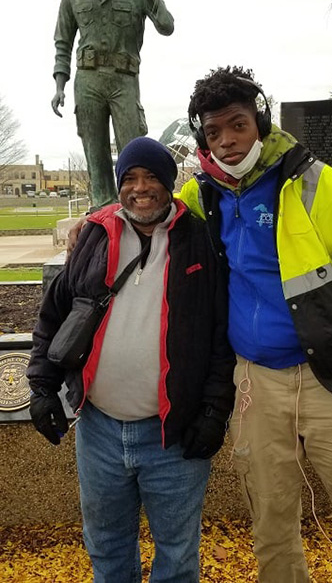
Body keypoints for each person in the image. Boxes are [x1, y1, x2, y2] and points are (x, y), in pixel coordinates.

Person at [177, 66, 332, 583]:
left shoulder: (319, 184)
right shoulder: (204, 195)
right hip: (257, 384)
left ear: (259, 122)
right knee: (271, 525)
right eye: (213, 132)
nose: (228, 142)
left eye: (237, 125)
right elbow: (147, 208)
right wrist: (95, 220)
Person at [27, 137, 234, 583]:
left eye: (152, 177)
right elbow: (54, 315)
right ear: (120, 185)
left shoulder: (198, 239)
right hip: (99, 431)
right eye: (131, 178)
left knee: (177, 555)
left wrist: (214, 412)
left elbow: (219, 336)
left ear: (169, 183)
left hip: (173, 437)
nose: (141, 188)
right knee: (107, 544)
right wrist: (42, 388)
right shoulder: (96, 235)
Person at [51, 0, 174, 207]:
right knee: (94, 150)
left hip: (124, 79)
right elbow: (62, 42)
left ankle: (139, 206)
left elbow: (166, 25)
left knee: (134, 148)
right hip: (88, 79)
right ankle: (102, 210)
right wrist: (59, 85)